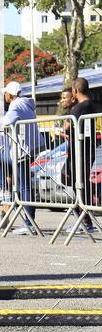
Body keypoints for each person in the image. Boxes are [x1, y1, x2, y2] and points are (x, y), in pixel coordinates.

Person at [0, 81, 41, 235]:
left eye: (5, 93)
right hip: (28, 149)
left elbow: (6, 123)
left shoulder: (15, 105)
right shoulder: (26, 104)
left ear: (10, 95)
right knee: (25, 185)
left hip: (20, 150)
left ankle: (5, 190)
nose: (4, 96)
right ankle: (29, 222)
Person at [63, 77, 96, 234]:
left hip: (80, 152)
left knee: (79, 185)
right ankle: (84, 219)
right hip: (87, 150)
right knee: (80, 184)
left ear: (75, 90)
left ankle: (85, 221)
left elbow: (67, 127)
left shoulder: (78, 108)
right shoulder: (92, 105)